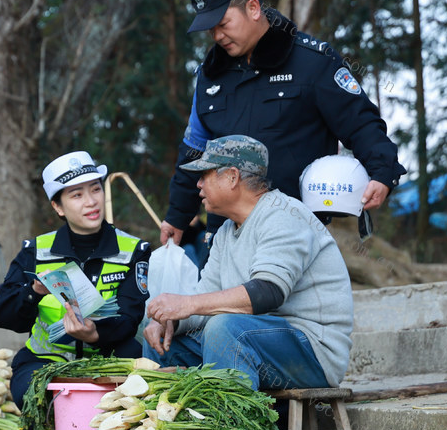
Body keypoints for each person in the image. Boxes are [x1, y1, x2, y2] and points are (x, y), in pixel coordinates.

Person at [160, 0, 406, 250]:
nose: (216, 37)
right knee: (215, 296)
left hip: (295, 230)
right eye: (210, 29)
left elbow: (360, 122)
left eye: (223, 24)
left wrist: (382, 172)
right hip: (224, 235)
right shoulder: (209, 76)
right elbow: (193, 150)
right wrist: (177, 216)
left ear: (253, 8)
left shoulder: (314, 61)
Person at [144, 135, 352, 392]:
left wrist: (186, 304)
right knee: (161, 335)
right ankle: (170, 428)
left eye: (204, 175)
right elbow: (205, 297)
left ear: (232, 177)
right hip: (252, 338)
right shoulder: (225, 232)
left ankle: (237, 429)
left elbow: (268, 292)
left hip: (312, 351)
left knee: (225, 328)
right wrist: (170, 321)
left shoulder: (284, 214)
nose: (197, 185)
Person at [0, 151, 152, 407]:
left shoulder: (133, 250)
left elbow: (130, 317)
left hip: (111, 357)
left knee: (139, 393)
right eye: (77, 195)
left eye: (95, 189)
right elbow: (3, 315)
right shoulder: (35, 251)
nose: (91, 202)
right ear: (58, 206)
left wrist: (94, 335)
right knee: (32, 395)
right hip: (46, 360)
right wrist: (34, 291)